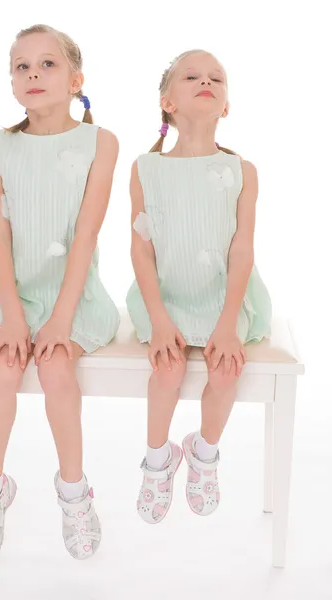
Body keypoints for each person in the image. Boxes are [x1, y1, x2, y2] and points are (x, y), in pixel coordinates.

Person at [0, 24, 120, 564]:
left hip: (69, 293)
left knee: (54, 368)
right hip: (5, 290)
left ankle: (74, 493)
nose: (33, 74)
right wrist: (11, 315)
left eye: (47, 64)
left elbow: (87, 235)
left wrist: (60, 319)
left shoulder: (100, 142)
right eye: (21, 66)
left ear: (76, 79)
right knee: (4, 365)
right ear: (11, 81)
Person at [126, 49, 272, 523]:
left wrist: (228, 323)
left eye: (216, 78)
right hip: (165, 298)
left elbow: (241, 251)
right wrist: (160, 318)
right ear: (168, 101)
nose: (206, 81)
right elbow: (141, 249)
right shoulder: (146, 169)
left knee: (226, 368)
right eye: (192, 76)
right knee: (166, 370)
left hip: (222, 298)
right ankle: (157, 460)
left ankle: (204, 453)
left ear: (226, 105)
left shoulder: (241, 172)